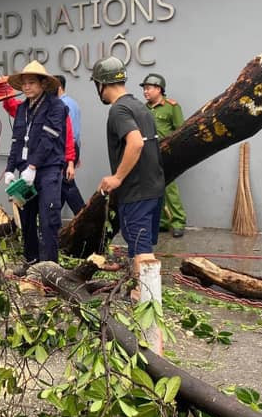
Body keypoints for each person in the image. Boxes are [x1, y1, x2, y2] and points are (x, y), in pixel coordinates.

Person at [93, 56, 165, 284]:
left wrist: (117, 178)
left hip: (137, 192)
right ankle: (137, 291)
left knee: (142, 251)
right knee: (137, 246)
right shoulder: (140, 108)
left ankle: (150, 305)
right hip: (154, 188)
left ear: (101, 84)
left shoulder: (119, 110)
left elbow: (136, 142)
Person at [4, 61, 68, 271]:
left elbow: (50, 138)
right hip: (25, 171)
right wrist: (9, 169)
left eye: (31, 82)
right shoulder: (22, 109)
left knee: (48, 218)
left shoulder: (56, 106)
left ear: (43, 84)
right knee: (27, 218)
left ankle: (50, 269)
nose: (27, 87)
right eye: (24, 83)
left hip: (47, 169)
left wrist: (33, 166)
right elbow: (16, 141)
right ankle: (30, 261)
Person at [141, 73, 187, 238]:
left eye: (148, 88)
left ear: (159, 89)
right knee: (153, 189)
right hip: (148, 155)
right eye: (144, 89)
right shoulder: (143, 108)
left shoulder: (171, 107)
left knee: (169, 189)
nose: (145, 91)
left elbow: (181, 131)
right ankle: (162, 222)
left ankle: (178, 222)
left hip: (166, 154)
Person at [56, 75, 86, 215]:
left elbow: (71, 133)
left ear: (59, 87)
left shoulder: (63, 105)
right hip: (71, 148)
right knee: (61, 186)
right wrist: (75, 155)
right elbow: (77, 133)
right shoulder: (72, 103)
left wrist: (71, 159)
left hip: (65, 149)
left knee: (67, 186)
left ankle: (84, 217)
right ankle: (51, 222)